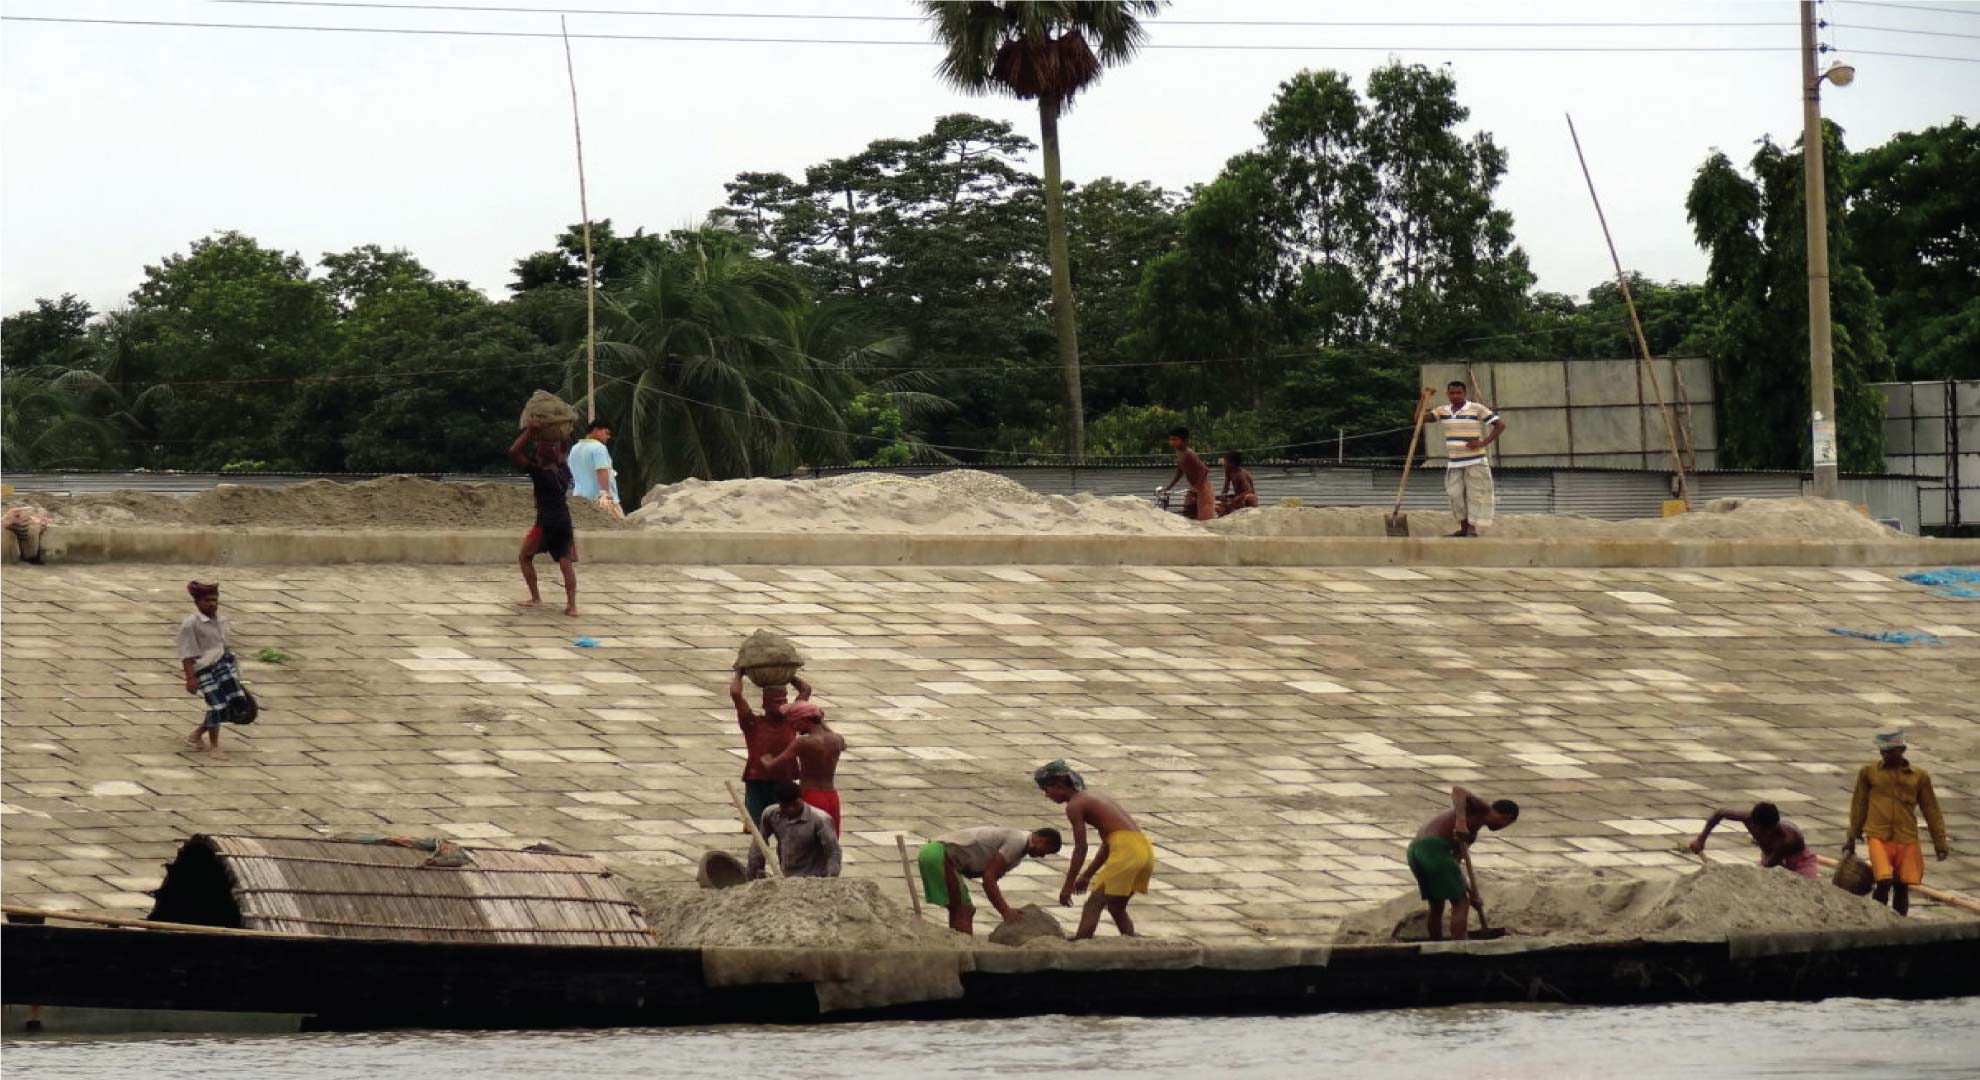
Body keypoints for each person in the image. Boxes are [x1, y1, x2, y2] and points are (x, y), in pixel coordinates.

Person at [1035, 760, 1155, 939]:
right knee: (1116, 906)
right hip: (1144, 850)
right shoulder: (1092, 797)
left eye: (1046, 790)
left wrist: (1067, 885)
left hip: (1127, 853)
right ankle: (1130, 938)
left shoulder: (1074, 804)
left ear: (1059, 786)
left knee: (1094, 903)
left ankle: (1081, 942)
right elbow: (1107, 846)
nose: (1047, 795)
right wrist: (1086, 876)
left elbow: (1080, 849)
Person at [1844, 730, 1951, 916]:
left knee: (1902, 885)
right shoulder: (1868, 773)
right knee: (1883, 881)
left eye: (1889, 751)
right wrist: (1852, 836)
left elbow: (1931, 810)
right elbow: (1859, 805)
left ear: (1901, 750)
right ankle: (1878, 916)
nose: (1884, 755)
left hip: (1906, 837)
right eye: (1882, 751)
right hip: (1878, 834)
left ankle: (1900, 921)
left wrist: (1940, 842)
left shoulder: (1919, 777)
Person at [1407, 785, 1519, 941]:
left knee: (1437, 903)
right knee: (1461, 902)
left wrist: (1472, 892)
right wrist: (1460, 821)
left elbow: (1454, 865)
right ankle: (1460, 943)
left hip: (1415, 851)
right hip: (1434, 847)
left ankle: (1436, 944)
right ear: (1507, 818)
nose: (1501, 828)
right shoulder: (1483, 808)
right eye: (1506, 825)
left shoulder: (1471, 835)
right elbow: (1458, 791)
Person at [917, 825, 1064, 935]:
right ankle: (965, 954)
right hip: (938, 854)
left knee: (959, 908)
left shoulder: (1017, 854)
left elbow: (987, 877)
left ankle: (957, 947)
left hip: (936, 854)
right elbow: (988, 879)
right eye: (1046, 851)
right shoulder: (1018, 840)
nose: (1042, 856)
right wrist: (1005, 911)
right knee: (964, 910)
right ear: (1042, 840)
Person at [509, 427, 578, 616]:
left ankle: (536, 598)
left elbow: (514, 451)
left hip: (545, 523)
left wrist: (529, 431)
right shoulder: (564, 472)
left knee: (524, 557)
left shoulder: (538, 471)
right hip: (564, 520)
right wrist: (564, 432)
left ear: (540, 455)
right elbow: (565, 448)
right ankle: (572, 606)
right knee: (566, 563)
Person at [731, 670, 809, 828]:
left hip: (784, 780)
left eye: (784, 700)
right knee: (756, 827)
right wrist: (739, 673)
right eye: (776, 701)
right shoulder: (752, 723)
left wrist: (788, 675)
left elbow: (806, 690)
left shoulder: (791, 721)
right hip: (757, 781)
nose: (782, 705)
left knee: (786, 826)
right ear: (765, 704)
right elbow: (736, 694)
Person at [177, 581, 247, 755]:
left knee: (235, 702)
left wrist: (234, 670)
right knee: (216, 706)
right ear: (197, 602)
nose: (211, 604)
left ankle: (197, 734)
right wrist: (191, 678)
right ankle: (214, 746)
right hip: (205, 669)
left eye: (215, 600)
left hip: (225, 666)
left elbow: (225, 646)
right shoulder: (190, 625)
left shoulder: (222, 621)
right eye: (207, 600)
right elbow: (187, 654)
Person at [759, 700, 846, 835]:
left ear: (805, 720)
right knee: (830, 840)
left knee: (806, 841)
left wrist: (766, 758)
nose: (795, 728)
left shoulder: (803, 742)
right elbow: (842, 745)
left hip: (811, 795)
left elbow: (772, 765)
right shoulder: (837, 739)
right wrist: (821, 723)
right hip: (832, 796)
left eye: (796, 723)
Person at [1430, 381, 1504, 537]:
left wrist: (1483, 442)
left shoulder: (1476, 408)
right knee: (1456, 496)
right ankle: (1463, 528)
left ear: (1464, 393)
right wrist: (1423, 401)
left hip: (1475, 460)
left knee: (1475, 495)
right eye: (1452, 393)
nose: (1455, 396)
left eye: (1458, 393)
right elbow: (1419, 419)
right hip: (1454, 461)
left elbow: (1500, 425)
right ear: (1447, 394)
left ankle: (1471, 529)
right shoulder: (1442, 410)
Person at [1689, 802, 1817, 879]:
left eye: (1770, 830)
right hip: (1770, 856)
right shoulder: (1748, 818)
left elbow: (1768, 866)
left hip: (1799, 861)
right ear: (1754, 823)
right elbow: (1720, 813)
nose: (1767, 834)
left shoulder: (1788, 840)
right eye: (1763, 830)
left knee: (1806, 890)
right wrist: (1701, 839)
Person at [745, 781, 841, 880]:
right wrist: (754, 872)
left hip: (814, 878)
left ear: (800, 801)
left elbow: (833, 853)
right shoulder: (771, 814)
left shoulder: (820, 819)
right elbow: (759, 842)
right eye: (783, 806)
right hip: (786, 876)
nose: (788, 809)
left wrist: (830, 880)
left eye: (792, 805)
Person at [566, 417, 624, 519]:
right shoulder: (599, 448)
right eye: (606, 433)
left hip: (579, 499)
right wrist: (606, 496)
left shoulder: (574, 449)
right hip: (599, 500)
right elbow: (602, 472)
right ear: (596, 430)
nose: (608, 436)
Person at [1158, 427, 1217, 522]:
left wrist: (1198, 487)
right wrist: (1169, 487)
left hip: (1203, 488)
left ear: (1184, 441)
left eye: (1175, 440)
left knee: (1205, 519)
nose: (1172, 442)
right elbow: (1179, 472)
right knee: (1188, 513)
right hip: (1193, 487)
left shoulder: (1189, 453)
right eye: (1171, 439)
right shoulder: (1178, 452)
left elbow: (1205, 470)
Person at [1216, 452, 1259, 516]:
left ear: (1231, 463)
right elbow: (1226, 488)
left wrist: (1235, 500)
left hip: (1247, 497)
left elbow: (1248, 490)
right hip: (1238, 495)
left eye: (1225, 461)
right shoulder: (1228, 471)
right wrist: (1222, 497)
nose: (1223, 462)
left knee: (1249, 497)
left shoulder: (1241, 474)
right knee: (1220, 502)